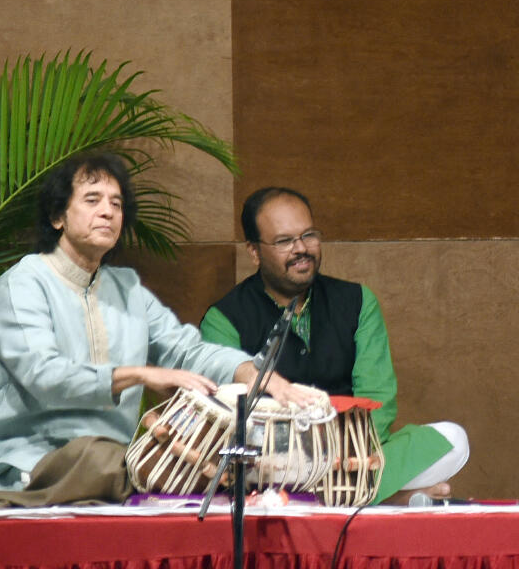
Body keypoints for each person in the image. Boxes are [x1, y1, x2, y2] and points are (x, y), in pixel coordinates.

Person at [0, 153, 317, 503]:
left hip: (108, 470)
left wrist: (251, 373)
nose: (108, 211)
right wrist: (141, 374)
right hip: (24, 468)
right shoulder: (23, 283)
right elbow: (42, 374)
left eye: (116, 203)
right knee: (112, 458)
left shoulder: (126, 288)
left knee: (207, 461)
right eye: (92, 199)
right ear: (57, 217)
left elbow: (184, 350)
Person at [200, 188, 468, 504]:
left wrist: (344, 455)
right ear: (254, 251)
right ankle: (383, 499)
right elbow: (228, 414)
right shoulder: (224, 319)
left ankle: (329, 500)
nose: (301, 249)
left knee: (453, 439)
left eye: (308, 235)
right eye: (284, 241)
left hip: (352, 455)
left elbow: (378, 399)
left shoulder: (357, 302)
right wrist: (305, 455)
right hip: (274, 463)